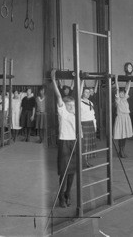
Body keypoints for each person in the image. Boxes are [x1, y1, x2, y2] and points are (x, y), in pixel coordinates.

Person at [51, 69, 76, 208]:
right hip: (65, 142)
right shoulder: (63, 113)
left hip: (75, 142)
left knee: (73, 171)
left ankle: (68, 193)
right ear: (64, 107)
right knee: (65, 172)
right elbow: (59, 97)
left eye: (73, 105)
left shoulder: (74, 113)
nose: (72, 107)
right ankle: (61, 196)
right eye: (70, 106)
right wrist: (54, 81)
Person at [113, 75, 132, 158]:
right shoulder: (118, 100)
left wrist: (129, 82)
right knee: (121, 135)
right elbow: (117, 89)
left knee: (125, 136)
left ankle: (123, 150)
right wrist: (116, 80)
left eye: (122, 93)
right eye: (120, 93)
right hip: (120, 118)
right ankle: (120, 151)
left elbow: (127, 89)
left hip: (126, 118)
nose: (121, 94)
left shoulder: (125, 99)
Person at [80, 82, 97, 167]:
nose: (87, 94)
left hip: (91, 125)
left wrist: (95, 125)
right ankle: (83, 162)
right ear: (82, 93)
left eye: (88, 92)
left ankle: (86, 161)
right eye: (86, 92)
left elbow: (93, 115)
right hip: (83, 125)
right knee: (84, 145)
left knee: (89, 145)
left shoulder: (91, 103)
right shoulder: (79, 102)